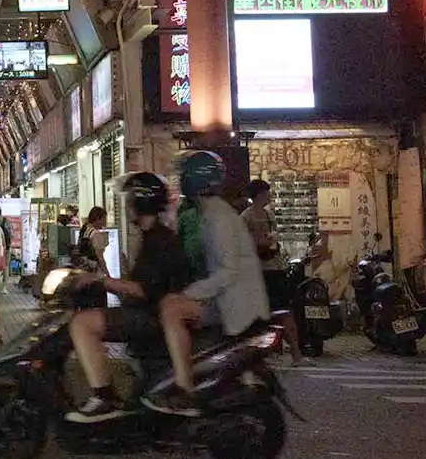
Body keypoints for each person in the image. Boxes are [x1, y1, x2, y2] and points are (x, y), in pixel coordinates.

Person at [65, 172, 198, 421]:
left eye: (129, 202)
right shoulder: (151, 237)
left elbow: (144, 290)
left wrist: (101, 280)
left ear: (140, 204)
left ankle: (104, 396)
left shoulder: (161, 240)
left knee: (82, 324)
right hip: (147, 311)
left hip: (152, 315)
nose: (126, 207)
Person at [182, 152, 272, 350]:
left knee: (171, 310)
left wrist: (189, 293)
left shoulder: (218, 219)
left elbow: (228, 271)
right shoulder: (211, 214)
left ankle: (182, 379)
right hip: (230, 302)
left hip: (236, 307)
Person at [240, 179, 302, 363]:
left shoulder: (269, 215)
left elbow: (274, 238)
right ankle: (264, 353)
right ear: (259, 194)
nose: (269, 195)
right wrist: (259, 243)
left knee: (283, 311)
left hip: (276, 268)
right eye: (267, 192)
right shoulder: (245, 217)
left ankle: (296, 353)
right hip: (258, 271)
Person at [73, 205, 109, 310]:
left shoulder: (85, 231)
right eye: (103, 219)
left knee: (86, 306)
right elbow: (100, 258)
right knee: (98, 306)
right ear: (98, 219)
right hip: (95, 275)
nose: (105, 222)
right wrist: (108, 274)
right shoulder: (96, 234)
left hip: (84, 274)